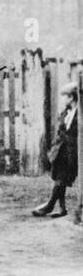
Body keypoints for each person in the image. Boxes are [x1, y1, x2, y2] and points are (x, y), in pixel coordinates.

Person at [33, 82, 78, 217]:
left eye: (66, 96)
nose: (64, 99)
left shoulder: (80, 113)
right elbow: (60, 132)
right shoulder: (65, 112)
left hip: (73, 152)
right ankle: (62, 209)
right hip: (61, 151)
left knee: (61, 180)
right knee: (59, 179)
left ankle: (50, 205)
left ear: (72, 97)